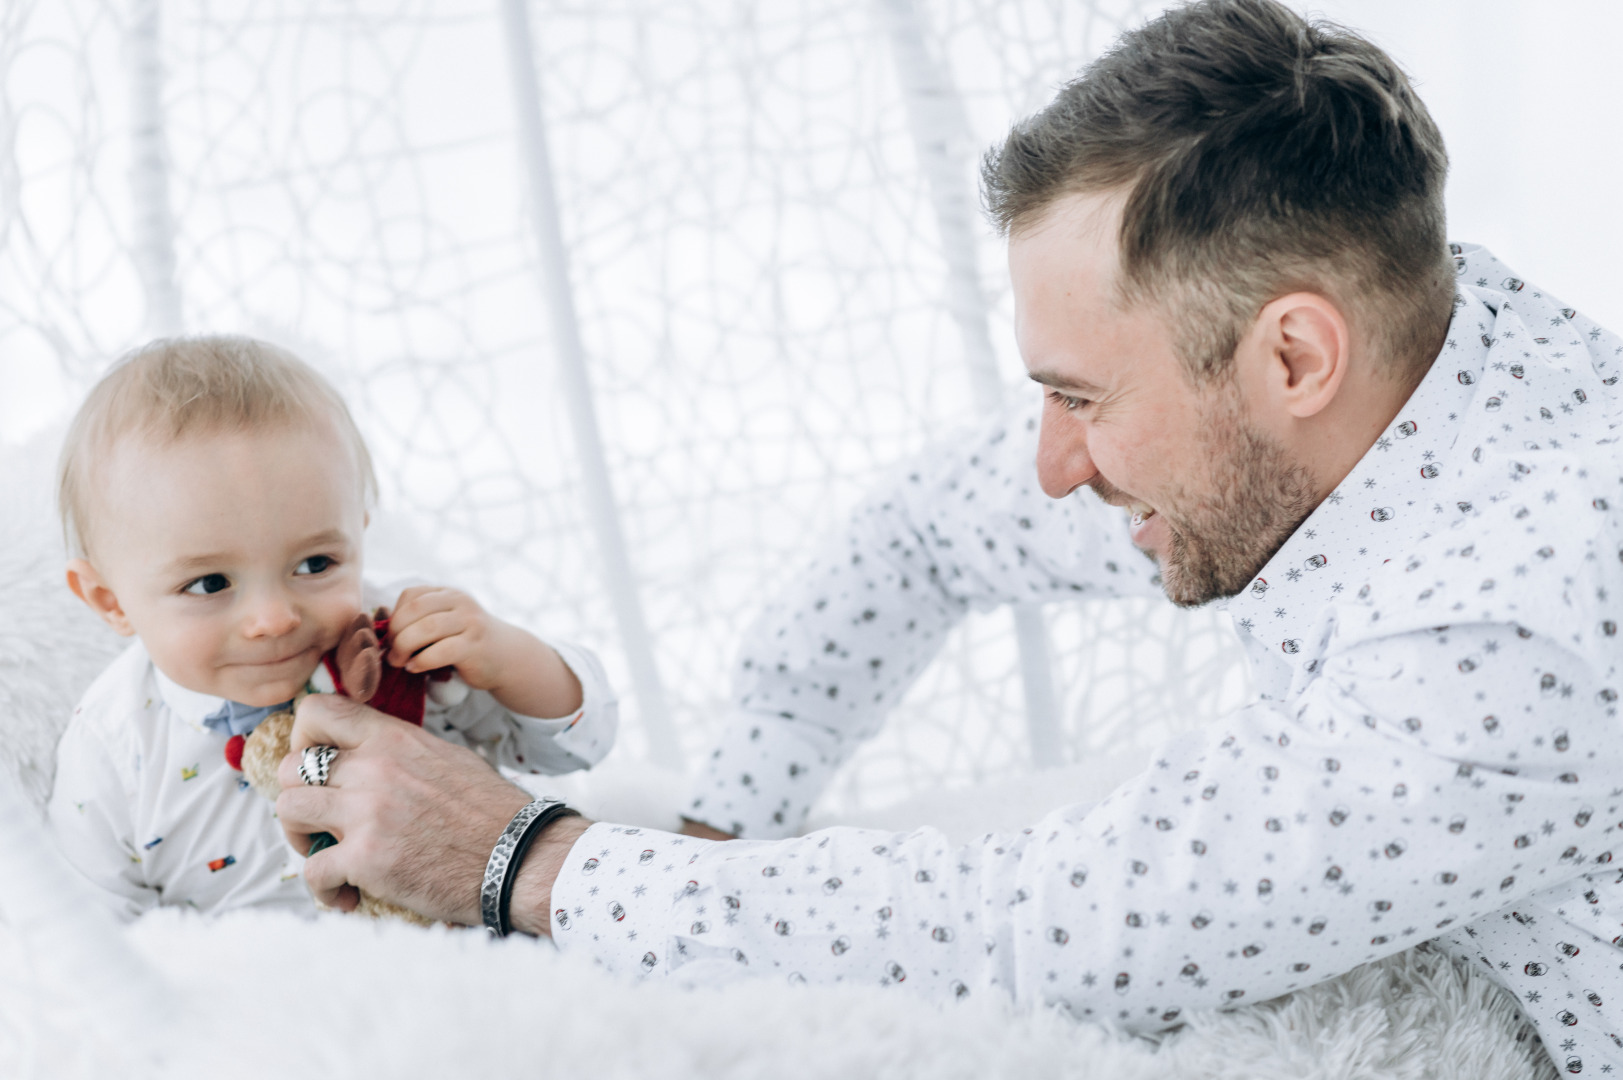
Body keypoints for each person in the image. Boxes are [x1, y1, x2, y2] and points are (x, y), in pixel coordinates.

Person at [272, 0, 1623, 1070]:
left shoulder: (1507, 638)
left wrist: (524, 860)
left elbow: (1025, 932)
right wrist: (718, 822)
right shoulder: (1417, 360)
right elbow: (920, 535)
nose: (1047, 466)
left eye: (1080, 398)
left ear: (1291, 356)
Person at [47, 336, 618, 919]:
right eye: (210, 584)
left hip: (461, 973)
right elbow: (91, 934)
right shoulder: (113, 741)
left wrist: (509, 656)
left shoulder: (400, 638)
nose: (273, 619)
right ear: (109, 600)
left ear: (358, 533)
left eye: (315, 564)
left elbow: (583, 744)